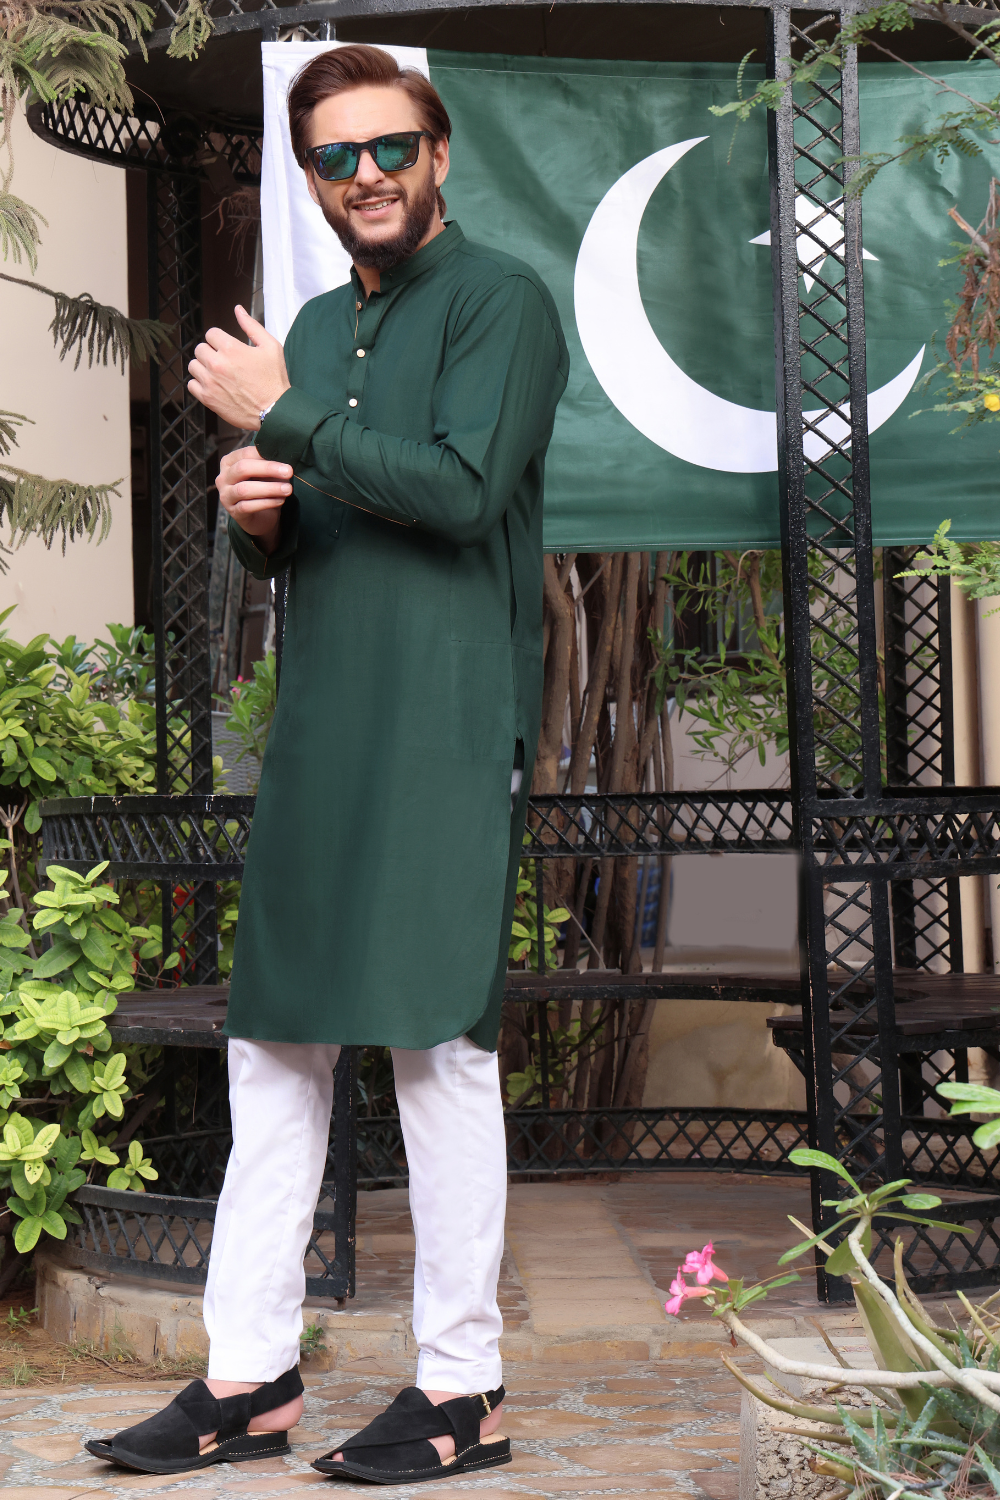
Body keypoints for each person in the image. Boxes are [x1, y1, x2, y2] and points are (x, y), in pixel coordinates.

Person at [86, 43, 568, 1484]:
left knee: (438, 1048)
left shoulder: (501, 301)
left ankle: (463, 1391)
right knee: (275, 1041)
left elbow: (464, 494)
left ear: (438, 152)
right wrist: (259, 513)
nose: (366, 175)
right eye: (335, 158)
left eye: (389, 147)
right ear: (310, 178)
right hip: (323, 726)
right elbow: (324, 515)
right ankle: (248, 1380)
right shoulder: (310, 321)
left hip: (446, 724)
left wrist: (282, 412)